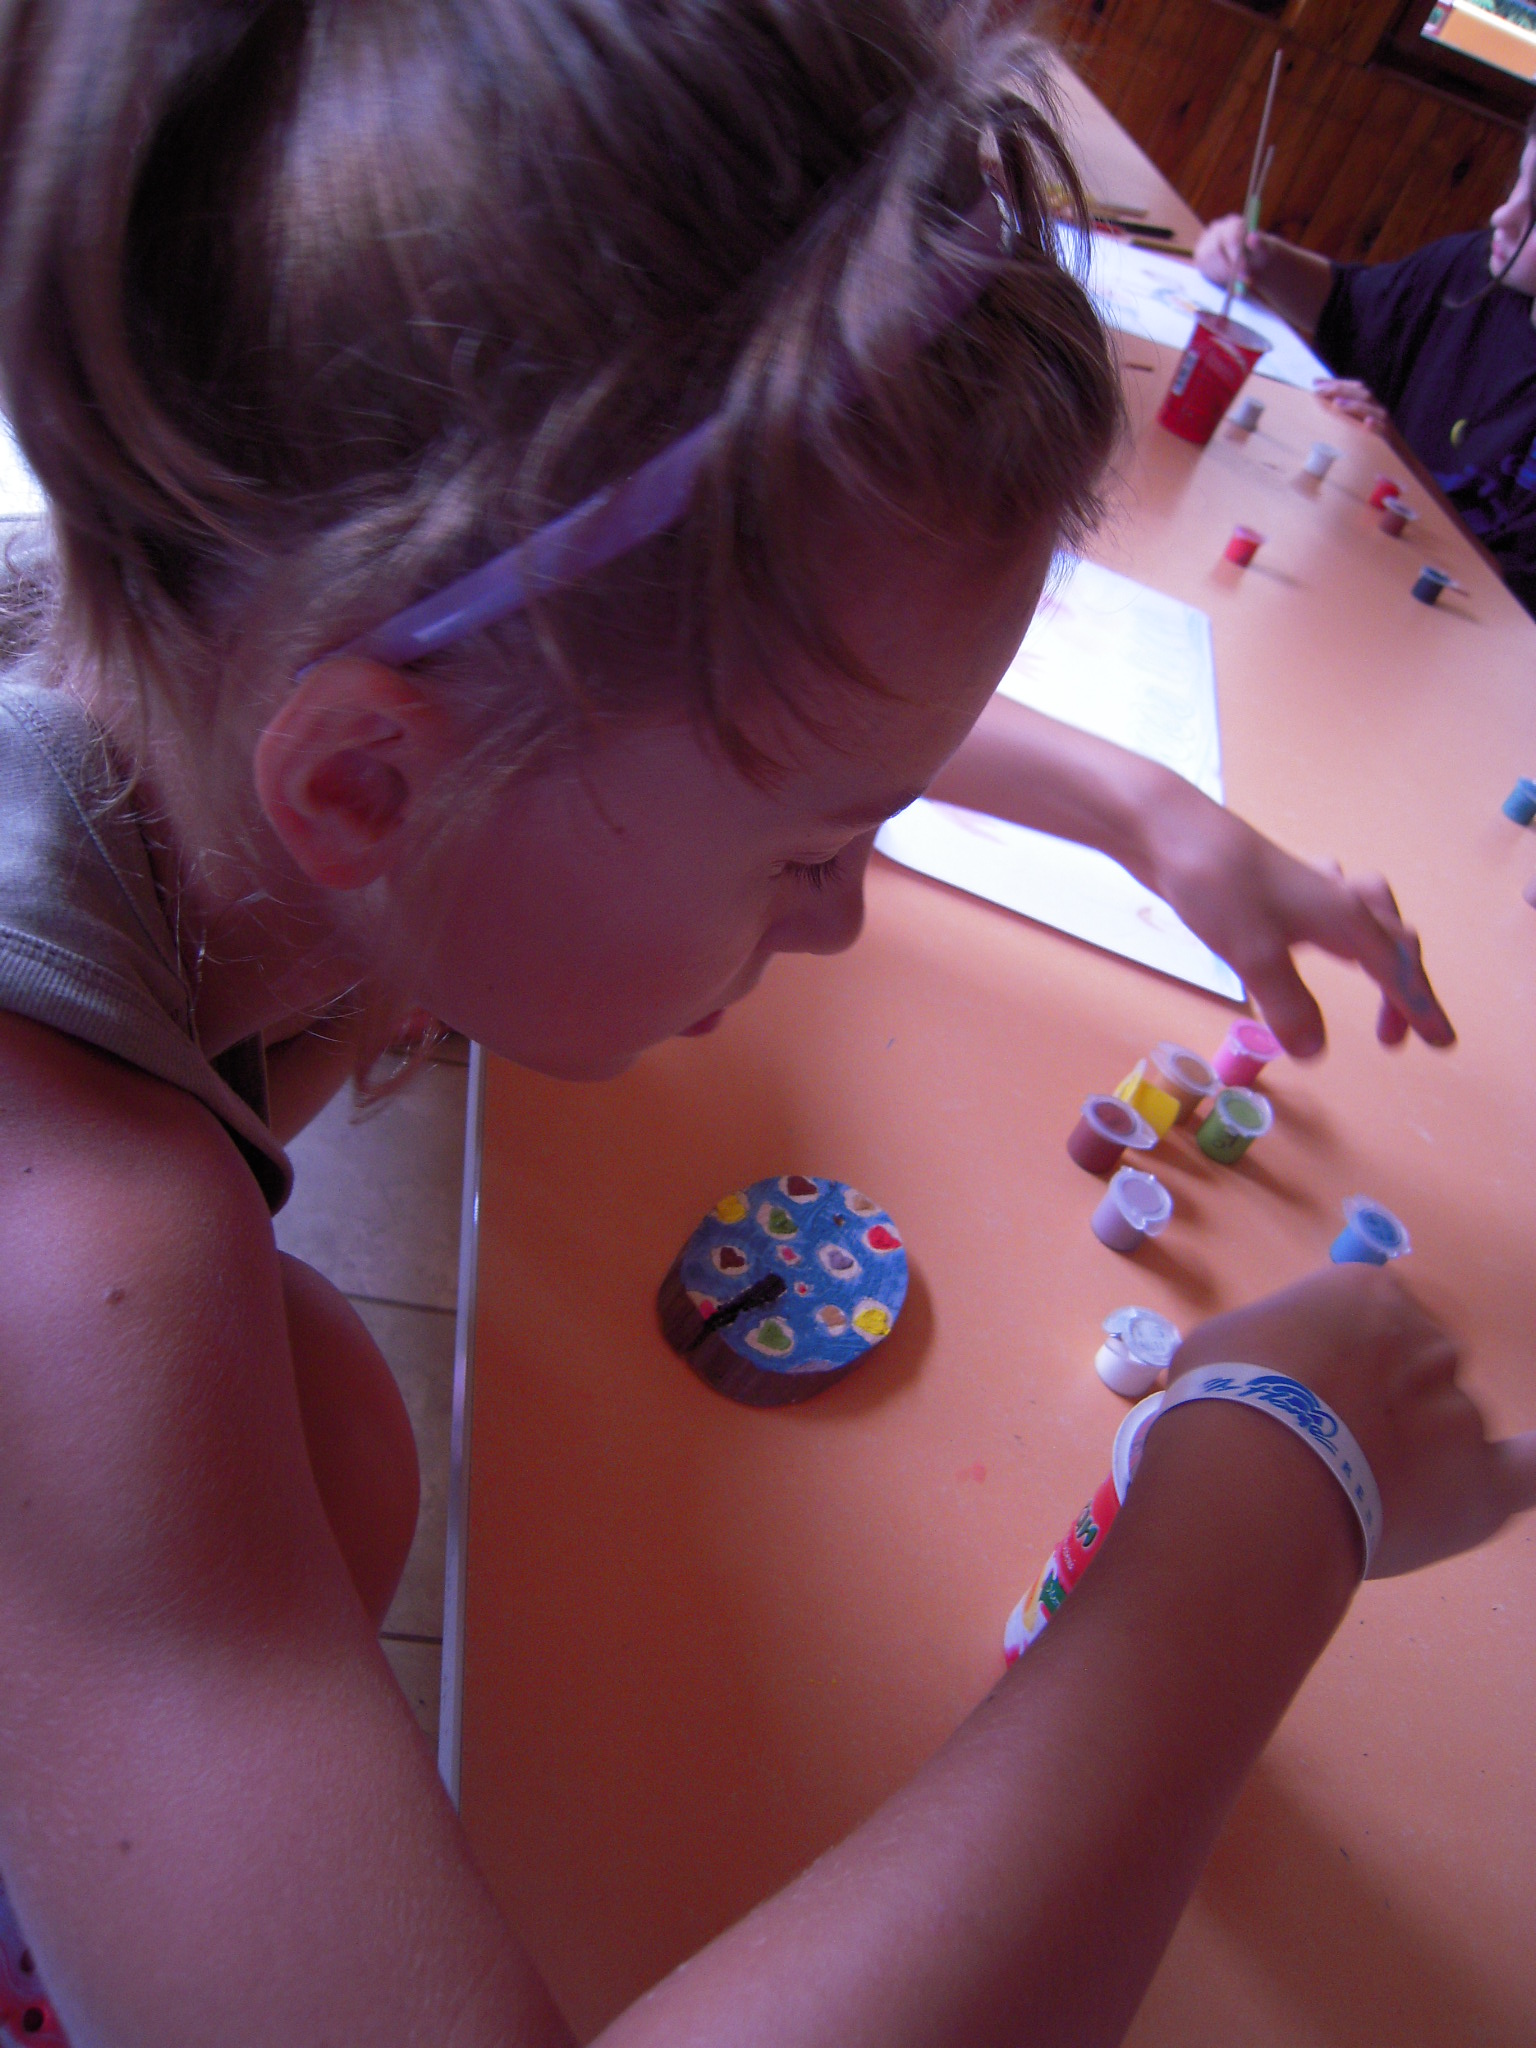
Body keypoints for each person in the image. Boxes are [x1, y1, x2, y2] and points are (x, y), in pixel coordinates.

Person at [0, 5, 1526, 2045]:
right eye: (815, 848)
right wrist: (1271, 1491)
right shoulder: (64, 1249)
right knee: (314, 1434)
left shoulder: (225, 678)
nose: (844, 915)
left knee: (321, 1435)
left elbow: (689, 692)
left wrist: (1149, 809)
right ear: (366, 781)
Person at [1195, 111, 1536, 616]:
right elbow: (1349, 306)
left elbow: (1513, 604)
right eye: (1518, 185)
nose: (1501, 216)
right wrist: (1260, 259)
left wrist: (1400, 464)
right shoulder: (1477, 268)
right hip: (1352, 571)